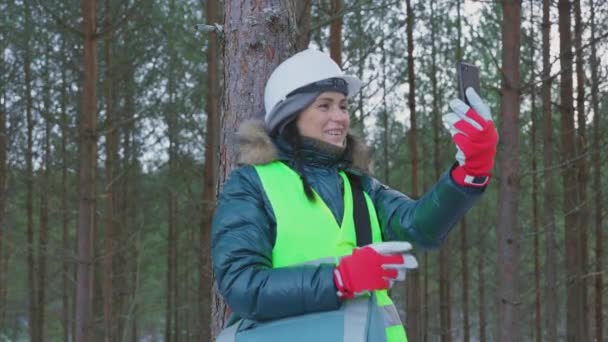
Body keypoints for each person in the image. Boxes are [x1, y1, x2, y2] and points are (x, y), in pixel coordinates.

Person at [211, 49, 498, 342]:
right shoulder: (251, 185)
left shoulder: (361, 187)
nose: (340, 117)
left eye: (343, 106)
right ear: (290, 115)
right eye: (324, 106)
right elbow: (241, 285)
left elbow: (419, 226)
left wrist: (470, 171)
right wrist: (338, 279)